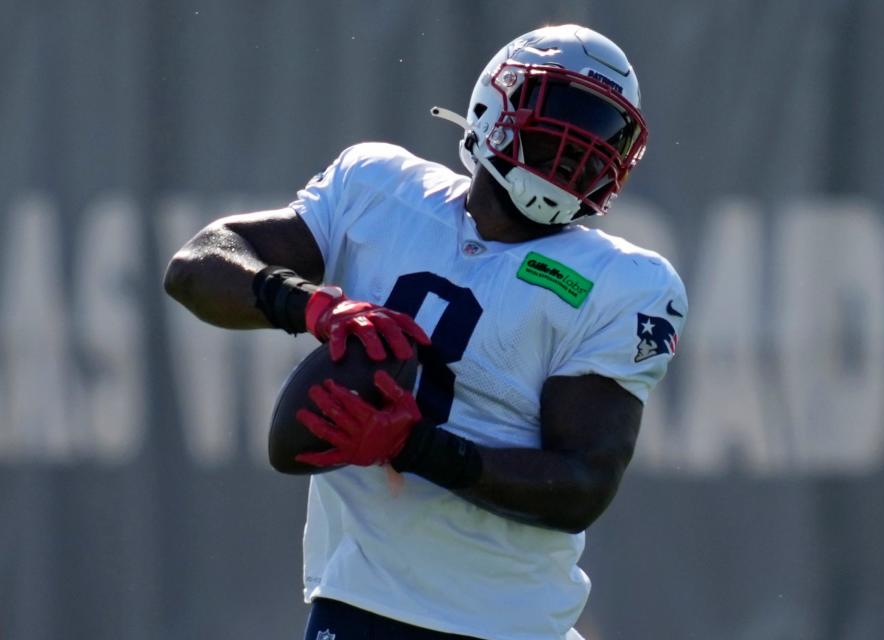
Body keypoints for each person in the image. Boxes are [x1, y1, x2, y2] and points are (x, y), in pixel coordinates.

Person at [164, 23, 686, 640]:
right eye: (564, 113)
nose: (576, 149)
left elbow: (582, 483)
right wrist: (313, 307)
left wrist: (416, 448)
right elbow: (197, 265)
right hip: (361, 604)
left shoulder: (623, 282)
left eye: (601, 134)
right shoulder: (378, 188)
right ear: (497, 103)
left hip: (511, 625)